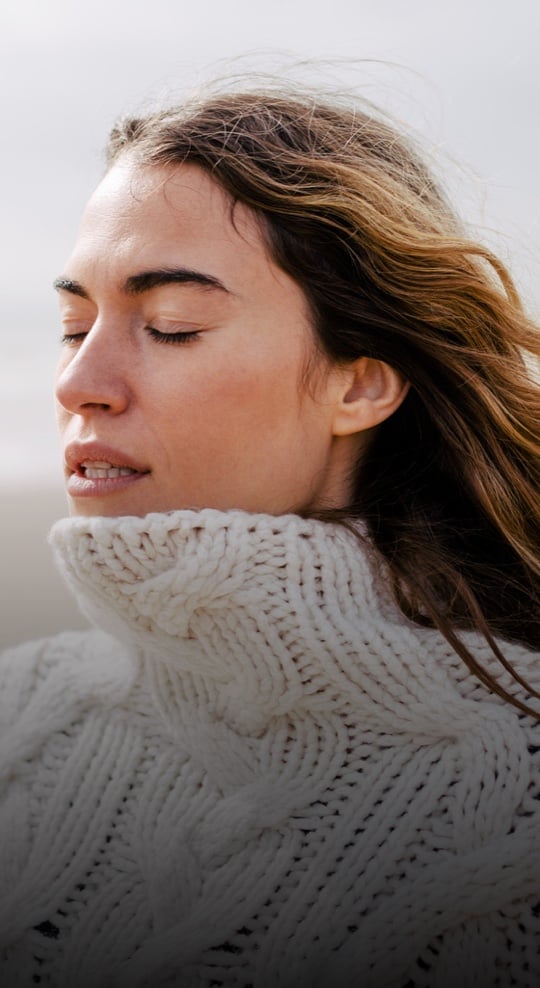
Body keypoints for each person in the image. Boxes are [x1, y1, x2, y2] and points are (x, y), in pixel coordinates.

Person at [1, 82, 539, 988]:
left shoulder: (517, 789)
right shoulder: (20, 717)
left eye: (171, 328)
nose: (79, 382)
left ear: (361, 385)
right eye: (73, 325)